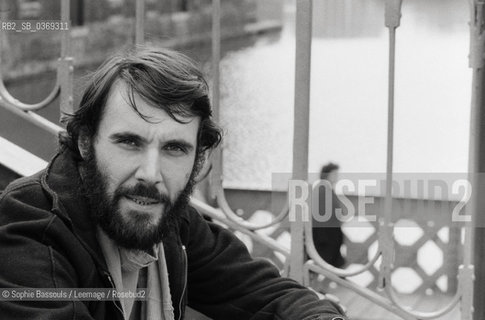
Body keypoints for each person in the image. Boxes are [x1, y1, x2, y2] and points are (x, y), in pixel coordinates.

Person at [0, 46, 348, 320]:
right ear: (85, 142)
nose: (151, 174)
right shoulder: (30, 229)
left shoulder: (170, 224)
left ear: (198, 160)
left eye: (174, 149)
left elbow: (264, 292)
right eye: (129, 142)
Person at [312, 163, 346, 268]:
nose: (336, 176)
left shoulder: (326, 189)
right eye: (334, 174)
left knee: (326, 266)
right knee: (322, 265)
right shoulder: (322, 190)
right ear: (326, 175)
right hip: (325, 238)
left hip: (328, 236)